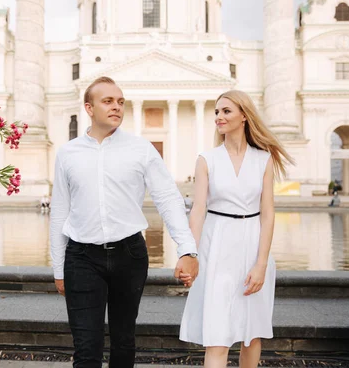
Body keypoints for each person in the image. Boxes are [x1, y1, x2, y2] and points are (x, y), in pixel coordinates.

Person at [49, 76, 198, 368]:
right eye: (108, 101)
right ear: (89, 107)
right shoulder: (68, 154)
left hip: (129, 254)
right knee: (86, 350)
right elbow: (60, 211)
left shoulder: (141, 149)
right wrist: (58, 267)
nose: (117, 107)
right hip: (81, 257)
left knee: (123, 342)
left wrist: (187, 249)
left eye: (120, 102)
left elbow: (168, 199)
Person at [179, 90, 294, 368]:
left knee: (251, 336)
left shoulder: (263, 159)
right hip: (216, 245)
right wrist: (189, 254)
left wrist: (261, 264)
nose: (219, 116)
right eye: (217, 112)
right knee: (217, 334)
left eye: (226, 111)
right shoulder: (206, 159)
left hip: (253, 244)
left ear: (244, 115)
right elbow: (198, 210)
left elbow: (268, 213)